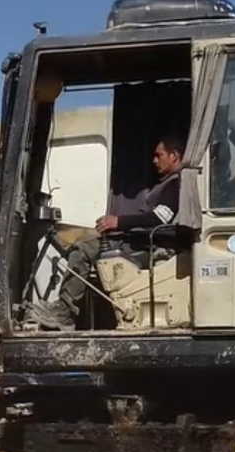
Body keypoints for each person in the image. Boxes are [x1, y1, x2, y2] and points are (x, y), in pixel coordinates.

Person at [28, 134, 187, 331]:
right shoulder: (170, 182)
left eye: (159, 155)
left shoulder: (177, 183)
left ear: (174, 156)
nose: (154, 160)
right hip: (144, 239)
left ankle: (66, 312)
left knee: (83, 249)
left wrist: (118, 222)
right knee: (86, 241)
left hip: (153, 244)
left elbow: (160, 218)